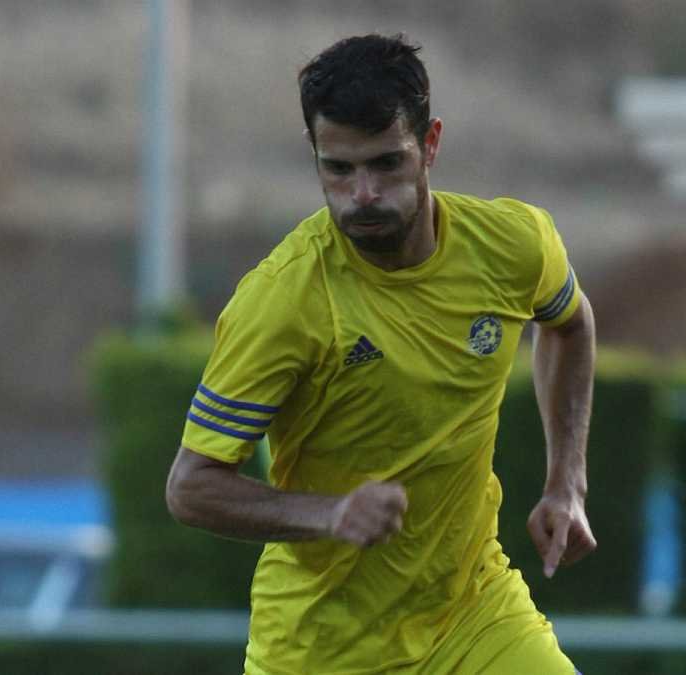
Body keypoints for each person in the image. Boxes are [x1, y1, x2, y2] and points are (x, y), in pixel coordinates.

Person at [166, 33, 596, 674]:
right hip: (324, 650)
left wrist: (567, 483)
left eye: (386, 163)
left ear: (431, 144)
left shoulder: (512, 247)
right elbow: (191, 488)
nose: (362, 193)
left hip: (473, 617)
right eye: (338, 169)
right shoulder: (282, 301)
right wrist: (331, 514)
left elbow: (569, 324)